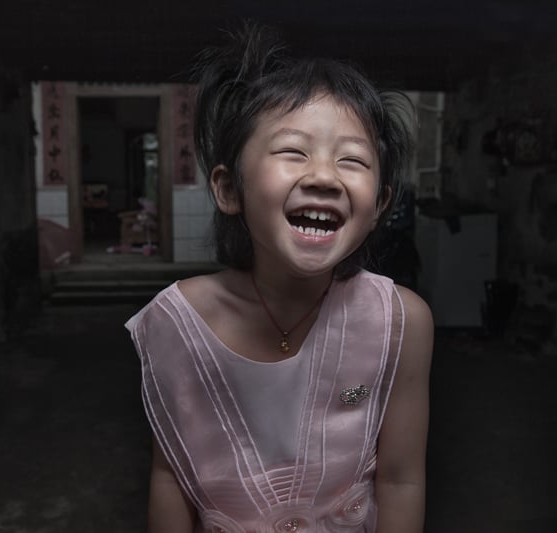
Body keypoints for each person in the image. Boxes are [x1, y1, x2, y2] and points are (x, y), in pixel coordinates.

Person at [126, 23, 433, 533]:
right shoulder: (175, 322)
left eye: (352, 160)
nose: (323, 176)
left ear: (379, 205)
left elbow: (401, 482)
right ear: (229, 189)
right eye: (293, 151)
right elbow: (169, 477)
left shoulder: (401, 322)